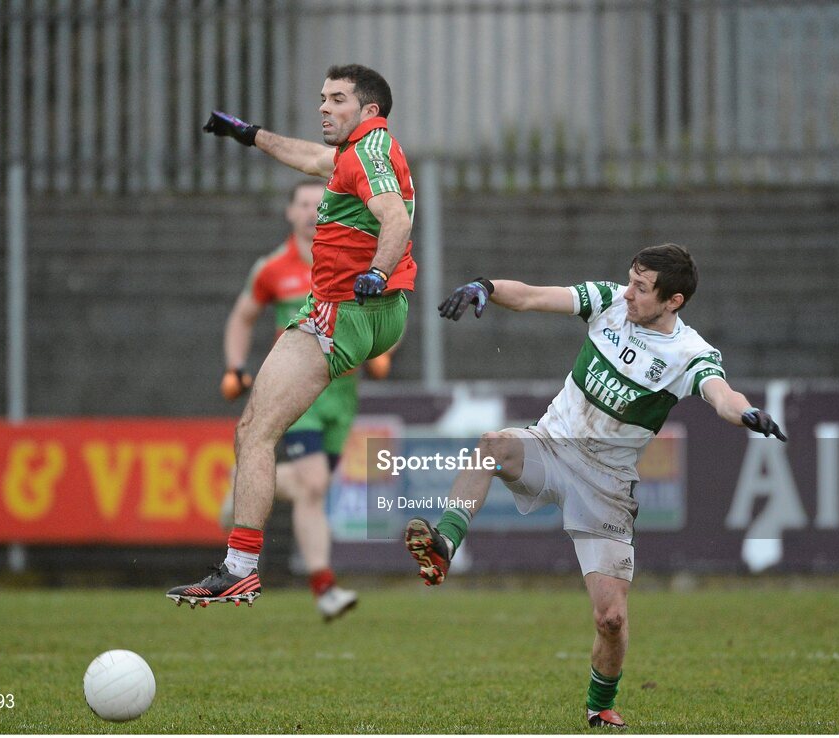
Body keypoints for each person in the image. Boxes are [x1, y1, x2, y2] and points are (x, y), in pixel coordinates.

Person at [404, 244, 786, 729]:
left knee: (611, 620)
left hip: (606, 485)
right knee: (491, 445)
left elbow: (721, 395)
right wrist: (487, 287)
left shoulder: (691, 354)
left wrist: (746, 414)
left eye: (642, 289)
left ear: (674, 301)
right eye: (631, 280)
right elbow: (533, 298)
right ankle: (444, 546)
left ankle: (599, 705)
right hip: (553, 445)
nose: (629, 293)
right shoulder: (608, 303)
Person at [167, 64, 416, 608]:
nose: (324, 107)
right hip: (381, 312)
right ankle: (304, 580)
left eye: (338, 99)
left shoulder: (368, 153)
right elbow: (309, 157)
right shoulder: (364, 153)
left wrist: (374, 271)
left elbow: (395, 219)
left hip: (344, 309)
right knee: (292, 466)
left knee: (254, 431)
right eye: (322, 97)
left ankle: (240, 568)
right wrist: (249, 134)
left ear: (369, 111)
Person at [215, 180, 395, 621]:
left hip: (342, 394)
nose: (314, 211)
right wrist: (236, 366)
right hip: (299, 390)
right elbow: (242, 317)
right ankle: (325, 588)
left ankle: (245, 483)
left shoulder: (352, 260)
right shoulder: (273, 267)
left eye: (322, 203)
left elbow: (370, 318)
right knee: (313, 483)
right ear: (290, 213)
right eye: (304, 204)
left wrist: (379, 355)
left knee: (313, 488)